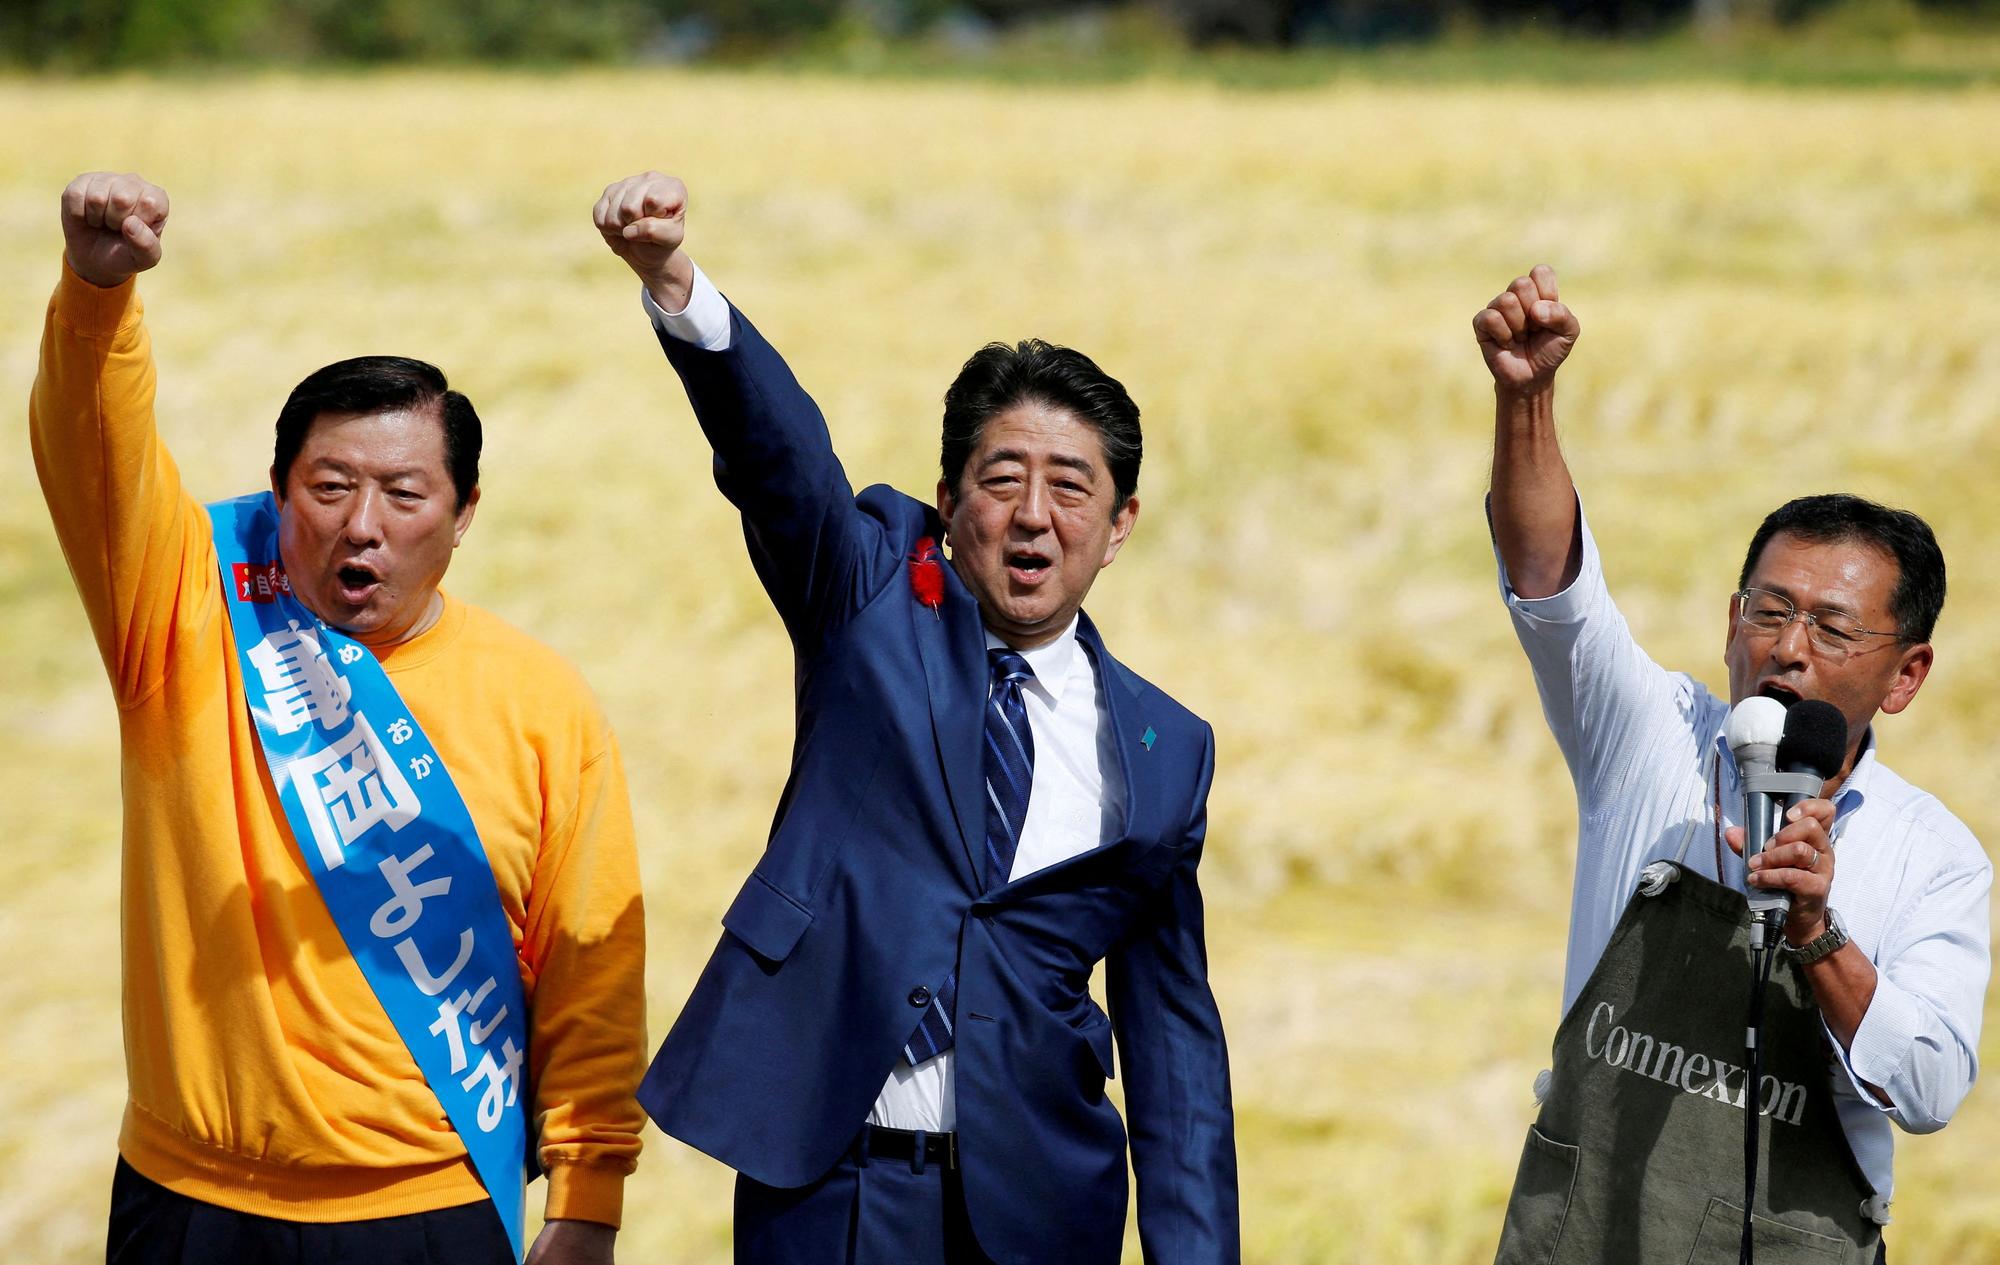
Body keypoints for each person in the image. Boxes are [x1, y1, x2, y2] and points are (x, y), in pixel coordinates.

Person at [591, 170, 1238, 1265]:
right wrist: (675, 284)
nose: (1033, 515)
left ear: (1119, 524)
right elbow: (779, 463)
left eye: (1070, 487)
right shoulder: (871, 597)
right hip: (834, 1182)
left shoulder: (1166, 750)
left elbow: (1172, 1036)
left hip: (1039, 1204)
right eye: (1003, 477)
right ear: (948, 499)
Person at [33, 172, 648, 1265]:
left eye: (405, 496)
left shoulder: (540, 702)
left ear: (462, 516)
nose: (362, 525)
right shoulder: (183, 619)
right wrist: (97, 293)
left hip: (431, 1210)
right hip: (189, 1201)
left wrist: (588, 1198)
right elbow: (94, 459)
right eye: (328, 486)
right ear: (277, 491)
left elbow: (589, 969)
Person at [1479, 266, 1989, 1263]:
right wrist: (1523, 398)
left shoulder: (1934, 856)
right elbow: (1548, 579)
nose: (1787, 646)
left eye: (1831, 627)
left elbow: (1928, 1088)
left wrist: (1815, 931)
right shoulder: (1646, 737)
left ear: (1905, 673)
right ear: (1728, 624)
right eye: (1768, 609)